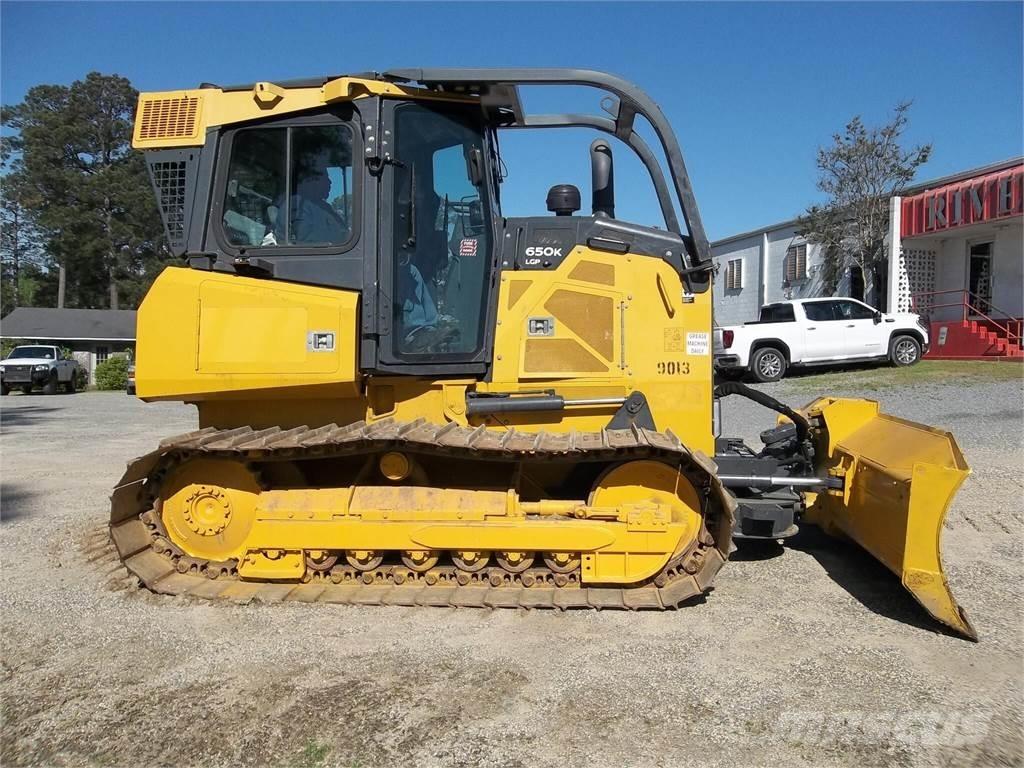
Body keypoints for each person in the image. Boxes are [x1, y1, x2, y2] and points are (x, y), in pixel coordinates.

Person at [274, 151, 348, 245]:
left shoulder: (326, 208)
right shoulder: (296, 205)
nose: (330, 182)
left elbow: (345, 235)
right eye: (325, 177)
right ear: (311, 180)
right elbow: (308, 245)